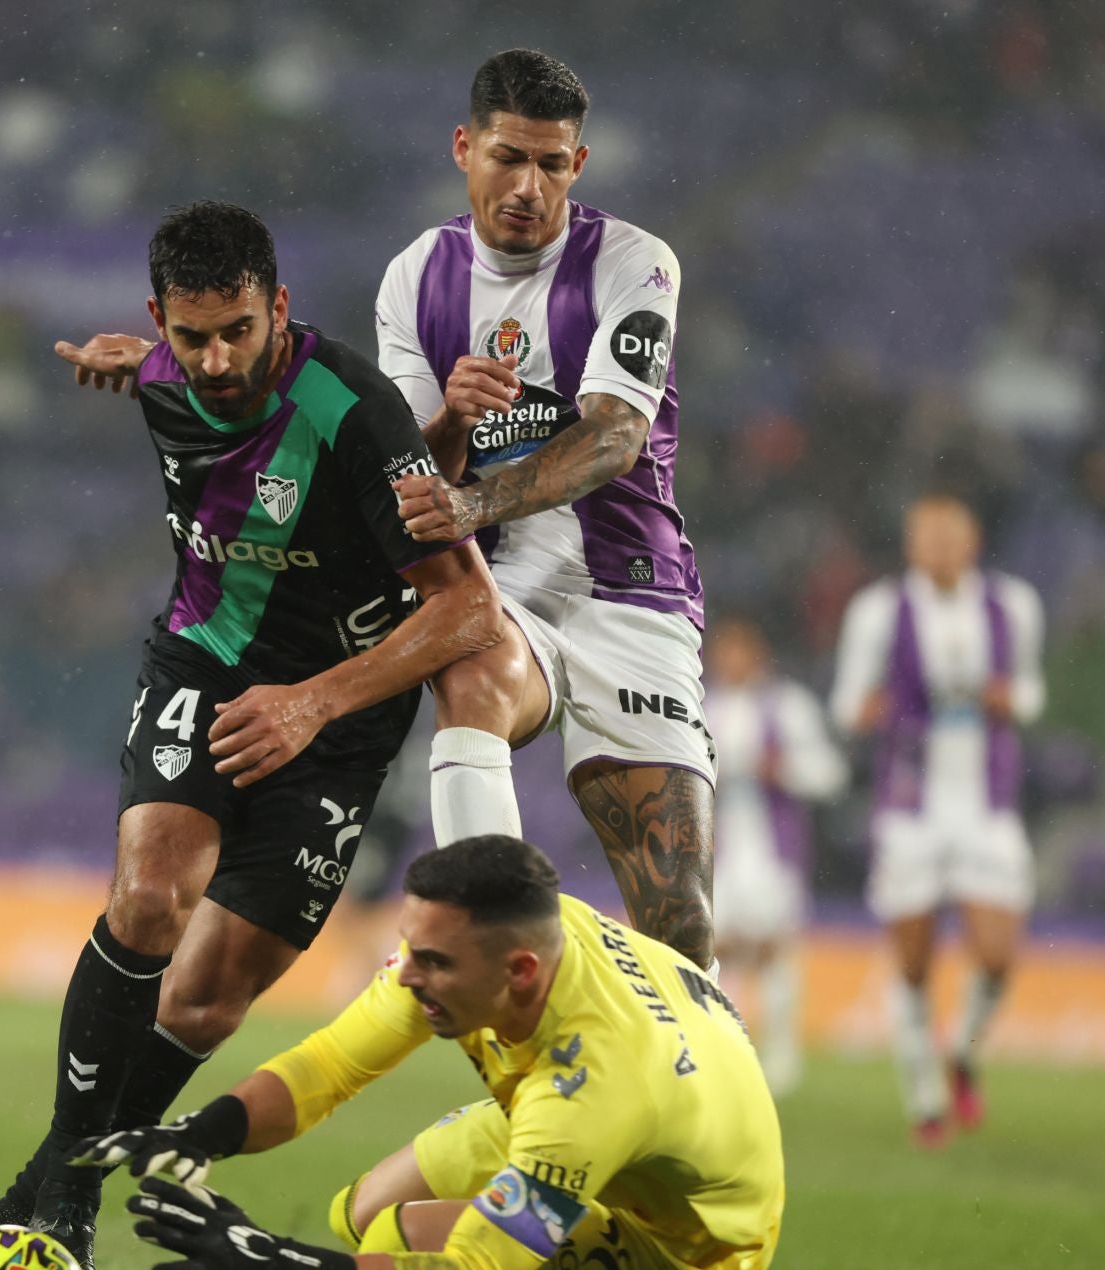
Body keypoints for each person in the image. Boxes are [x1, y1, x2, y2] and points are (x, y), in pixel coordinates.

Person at [0, 201, 504, 1270]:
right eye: (192, 336)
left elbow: (469, 608)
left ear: (280, 308)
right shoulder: (164, 372)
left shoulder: (355, 409)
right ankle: (68, 1209)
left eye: (238, 332)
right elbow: (152, 368)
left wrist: (313, 702)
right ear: (158, 320)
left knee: (211, 997)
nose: (216, 361)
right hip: (207, 662)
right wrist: (132, 364)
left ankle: (31, 1195)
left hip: (339, 715)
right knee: (150, 898)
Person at [76, 835, 784, 1270]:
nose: (408, 975)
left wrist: (277, 1262)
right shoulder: (513, 938)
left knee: (405, 1247)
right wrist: (209, 1130)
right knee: (363, 1211)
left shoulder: (592, 1088)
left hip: (690, 1239)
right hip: (629, 1133)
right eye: (410, 946)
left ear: (520, 974)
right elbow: (332, 1064)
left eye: (434, 962)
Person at [377, 49, 717, 969]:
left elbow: (613, 439)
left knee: (680, 923)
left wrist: (473, 500)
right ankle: (492, 950)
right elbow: (415, 479)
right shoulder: (416, 275)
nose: (529, 186)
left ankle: (687, 1061)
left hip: (633, 590)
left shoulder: (634, 263)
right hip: (504, 590)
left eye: (551, 164)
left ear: (579, 163)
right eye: (508, 157)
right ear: (464, 147)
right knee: (472, 667)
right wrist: (454, 418)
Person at [829, 495, 1045, 1145]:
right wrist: (873, 710)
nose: (941, 548)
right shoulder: (877, 610)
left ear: (973, 542)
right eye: (929, 537)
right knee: (915, 965)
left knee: (998, 957)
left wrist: (1010, 699)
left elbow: (1031, 692)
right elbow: (845, 705)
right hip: (911, 808)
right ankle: (925, 1100)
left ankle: (964, 1053)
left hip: (986, 805)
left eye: (952, 536)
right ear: (911, 545)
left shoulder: (1013, 605)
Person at [702, 617, 846, 1093]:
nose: (731, 662)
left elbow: (830, 774)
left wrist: (783, 769)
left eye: (739, 651)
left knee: (774, 948)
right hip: (718, 851)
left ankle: (783, 1054)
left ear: (757, 655)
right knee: (714, 948)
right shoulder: (702, 706)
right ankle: (724, 1047)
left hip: (773, 850)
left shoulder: (788, 706)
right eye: (724, 652)